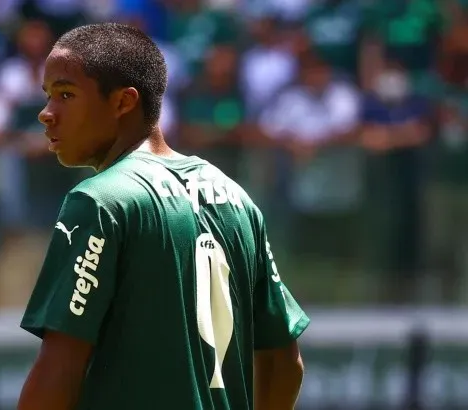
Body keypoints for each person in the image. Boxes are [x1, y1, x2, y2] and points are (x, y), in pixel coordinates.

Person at [18, 23, 309, 410]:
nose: (46, 114)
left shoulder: (100, 201)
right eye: (48, 96)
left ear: (124, 102)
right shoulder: (237, 199)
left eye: (66, 94)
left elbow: (59, 369)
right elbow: (284, 362)